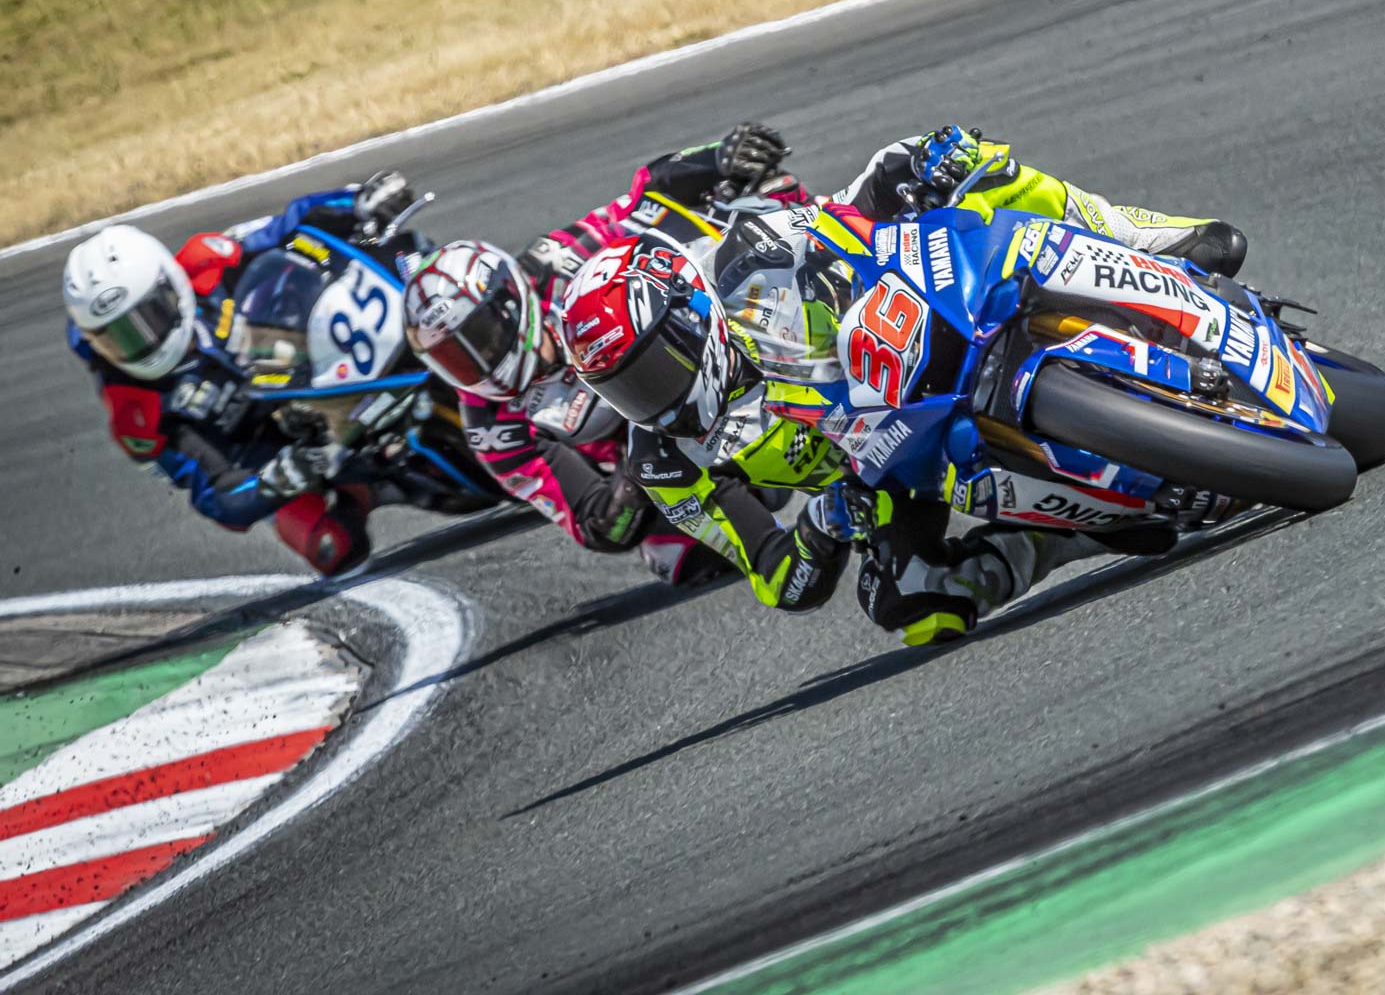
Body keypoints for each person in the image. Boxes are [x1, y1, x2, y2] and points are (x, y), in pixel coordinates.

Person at [558, 126, 1249, 644]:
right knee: (912, 602)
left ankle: (1143, 236)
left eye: (651, 369)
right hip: (886, 468)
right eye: (624, 391)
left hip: (905, 334)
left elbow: (846, 207)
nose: (651, 401)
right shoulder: (665, 461)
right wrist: (822, 526)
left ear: (689, 315)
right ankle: (1074, 535)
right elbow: (779, 577)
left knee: (981, 175)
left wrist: (920, 163)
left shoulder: (743, 255)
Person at [401, 124, 801, 581]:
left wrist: (716, 158)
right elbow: (598, 524)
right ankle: (782, 550)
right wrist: (640, 468)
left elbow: (647, 194)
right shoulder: (491, 427)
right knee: (675, 556)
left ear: (508, 300)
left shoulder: (559, 260)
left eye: (480, 337)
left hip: (713, 349)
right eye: (453, 358)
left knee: (768, 205)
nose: (480, 363)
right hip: (668, 452)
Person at [62, 173, 418, 572]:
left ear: (170, 284)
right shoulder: (136, 413)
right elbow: (215, 495)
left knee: (394, 266)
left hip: (318, 358)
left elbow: (288, 225)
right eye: (116, 338)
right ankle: (367, 487)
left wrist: (356, 202)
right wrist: (280, 477)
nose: (140, 343)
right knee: (332, 547)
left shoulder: (207, 260)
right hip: (277, 448)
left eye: (148, 317)